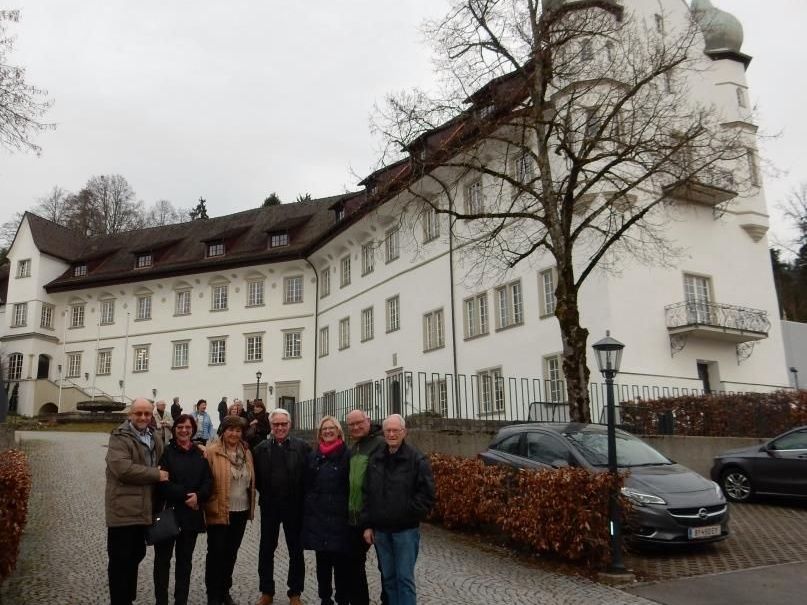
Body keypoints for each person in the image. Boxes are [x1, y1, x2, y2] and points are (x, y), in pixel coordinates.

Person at [361, 414, 435, 605]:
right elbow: (367, 493)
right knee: (388, 579)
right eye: (388, 430)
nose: (392, 434)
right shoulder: (376, 458)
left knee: (404, 580)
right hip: (381, 531)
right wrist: (368, 525)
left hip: (405, 531)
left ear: (404, 432)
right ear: (383, 433)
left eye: (396, 430)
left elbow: (426, 495)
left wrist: (407, 514)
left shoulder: (416, 459)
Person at [105, 398, 169, 605]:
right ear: (130, 414)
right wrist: (155, 474)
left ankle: (128, 598)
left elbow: (165, 459)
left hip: (145, 508)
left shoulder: (154, 436)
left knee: (136, 554)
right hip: (123, 509)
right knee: (120, 560)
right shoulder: (119, 437)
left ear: (152, 415)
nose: (143, 417)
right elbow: (122, 469)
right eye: (138, 413)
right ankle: (120, 601)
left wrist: (199, 449)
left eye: (147, 413)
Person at [253, 408, 311, 605]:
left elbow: (308, 476)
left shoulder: (302, 447)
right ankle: (266, 591)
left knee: (296, 550)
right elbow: (256, 479)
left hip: (294, 506)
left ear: (289, 425)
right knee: (266, 549)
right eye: (276, 424)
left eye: (283, 424)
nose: (280, 427)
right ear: (271, 426)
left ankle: (295, 592)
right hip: (269, 506)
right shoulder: (260, 449)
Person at [153, 414, 213, 605]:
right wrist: (188, 495)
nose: (184, 430)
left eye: (188, 427)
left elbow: (208, 481)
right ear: (174, 429)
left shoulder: (200, 453)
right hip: (169, 514)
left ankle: (181, 601)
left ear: (193, 430)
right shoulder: (167, 452)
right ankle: (161, 601)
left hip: (190, 516)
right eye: (180, 427)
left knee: (185, 562)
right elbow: (162, 482)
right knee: (162, 561)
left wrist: (199, 496)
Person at [205, 415, 256, 605]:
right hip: (219, 510)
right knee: (216, 553)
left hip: (241, 511)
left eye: (238, 430)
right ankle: (213, 594)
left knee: (231, 553)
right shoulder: (212, 452)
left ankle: (224, 590)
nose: (234, 434)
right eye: (230, 430)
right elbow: (205, 480)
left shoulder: (246, 453)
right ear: (223, 431)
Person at [302, 416, 351, 605]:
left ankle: (342, 599)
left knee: (341, 565)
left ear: (339, 432)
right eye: (324, 429)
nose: (328, 431)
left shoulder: (347, 455)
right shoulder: (313, 456)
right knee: (322, 564)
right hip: (319, 519)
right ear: (320, 434)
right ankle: (325, 598)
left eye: (332, 428)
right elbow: (307, 485)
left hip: (340, 519)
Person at [345, 410, 386, 605]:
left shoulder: (381, 445)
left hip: (377, 518)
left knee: (386, 567)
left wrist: (371, 519)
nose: (355, 427)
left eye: (359, 423)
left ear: (368, 421)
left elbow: (380, 486)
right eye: (351, 425)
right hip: (356, 517)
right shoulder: (354, 447)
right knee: (354, 565)